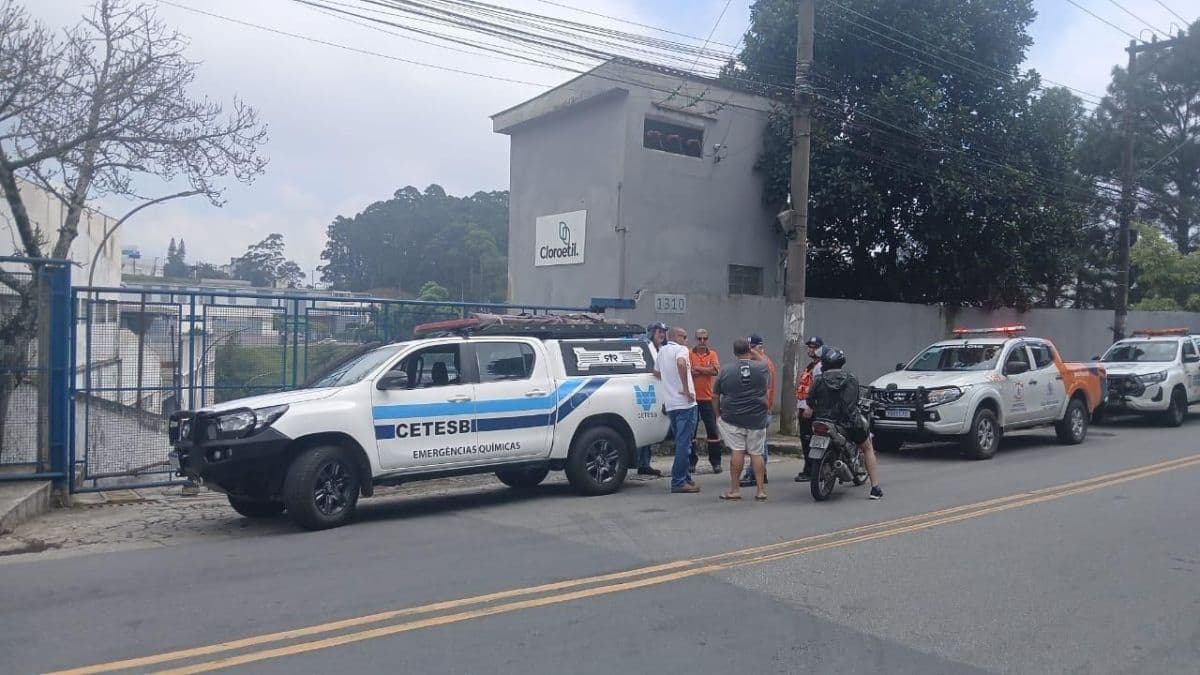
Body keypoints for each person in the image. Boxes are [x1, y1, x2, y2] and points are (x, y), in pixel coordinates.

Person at [803, 347, 883, 499]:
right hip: (848, 423)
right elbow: (853, 403)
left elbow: (810, 400)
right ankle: (875, 488)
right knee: (867, 447)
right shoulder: (851, 378)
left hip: (823, 421)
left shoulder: (819, 379)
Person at [714, 338, 771, 502]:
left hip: (733, 417)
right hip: (757, 417)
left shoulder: (725, 370)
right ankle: (760, 491)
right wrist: (754, 353)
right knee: (756, 453)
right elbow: (765, 362)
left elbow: (715, 395)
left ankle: (734, 490)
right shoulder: (762, 368)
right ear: (749, 350)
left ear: (734, 352)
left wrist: (717, 414)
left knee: (737, 451)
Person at [655, 326, 700, 493]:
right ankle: (679, 481)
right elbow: (681, 364)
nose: (686, 340)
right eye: (684, 336)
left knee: (681, 441)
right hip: (685, 403)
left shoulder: (662, 351)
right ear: (675, 336)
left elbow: (656, 372)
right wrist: (686, 389)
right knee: (684, 443)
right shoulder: (681, 350)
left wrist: (669, 380)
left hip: (671, 404)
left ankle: (685, 477)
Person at [740, 334, 775, 487]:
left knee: (757, 445)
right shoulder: (762, 363)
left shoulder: (762, 365)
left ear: (758, 348)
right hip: (761, 409)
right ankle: (761, 473)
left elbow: (764, 390)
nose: (748, 353)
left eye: (750, 349)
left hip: (760, 410)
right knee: (759, 443)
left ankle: (753, 474)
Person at [636, 322, 668, 477]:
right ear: (651, 333)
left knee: (649, 429)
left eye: (663, 331)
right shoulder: (644, 348)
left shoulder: (662, 349)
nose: (662, 334)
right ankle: (640, 463)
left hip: (656, 392)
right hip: (644, 391)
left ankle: (644, 464)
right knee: (642, 427)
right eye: (658, 331)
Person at [690, 329, 723, 474]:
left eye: (705, 338)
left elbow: (715, 371)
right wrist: (706, 369)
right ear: (695, 339)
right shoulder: (689, 354)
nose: (702, 341)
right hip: (692, 399)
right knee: (691, 433)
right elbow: (689, 371)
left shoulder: (713, 354)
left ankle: (716, 462)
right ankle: (691, 462)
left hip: (708, 399)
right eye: (699, 339)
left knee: (713, 432)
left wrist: (698, 368)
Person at [794, 336, 825, 483]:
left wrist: (810, 407)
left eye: (815, 347)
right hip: (805, 407)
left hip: (810, 409)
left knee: (809, 440)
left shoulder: (820, 366)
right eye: (810, 347)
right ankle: (810, 469)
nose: (811, 349)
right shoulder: (812, 365)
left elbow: (818, 389)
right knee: (806, 440)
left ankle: (812, 470)